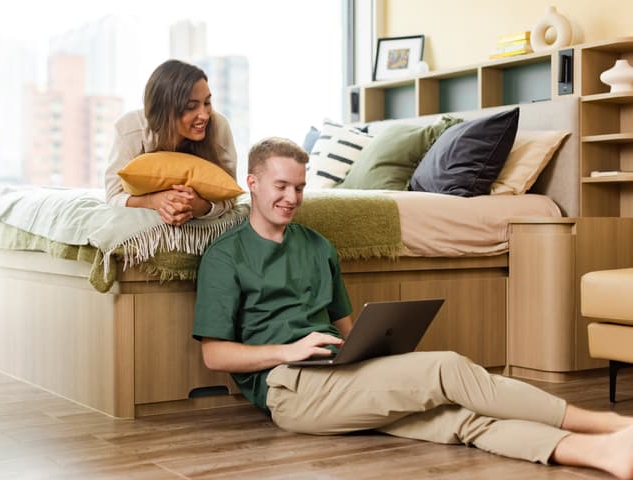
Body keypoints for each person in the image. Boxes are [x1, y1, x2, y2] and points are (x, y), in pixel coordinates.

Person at [193, 136, 633, 480]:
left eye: (300, 188)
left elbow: (347, 327)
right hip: (288, 389)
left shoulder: (317, 246)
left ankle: (601, 454)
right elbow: (214, 355)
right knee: (445, 369)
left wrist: (369, 347)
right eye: (281, 186)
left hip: (338, 373)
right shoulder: (226, 255)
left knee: (460, 421)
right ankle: (609, 426)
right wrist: (287, 351)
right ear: (252, 184)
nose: (292, 197)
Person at [105, 59, 237, 226]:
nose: (204, 115)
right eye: (191, 106)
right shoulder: (130, 129)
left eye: (207, 103)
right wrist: (154, 201)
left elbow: (231, 196)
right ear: (164, 109)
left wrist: (200, 207)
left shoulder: (219, 127)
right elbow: (113, 196)